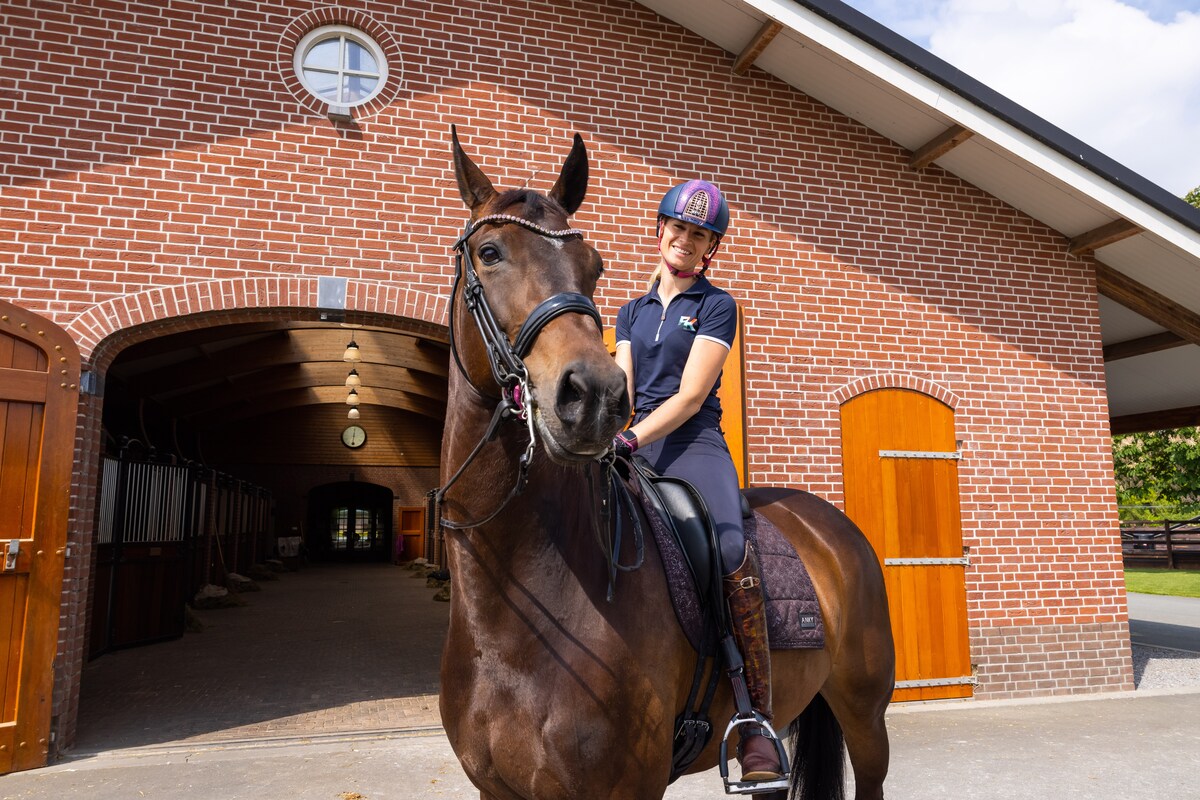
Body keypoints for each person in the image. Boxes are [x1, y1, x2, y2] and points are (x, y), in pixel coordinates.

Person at [611, 180, 783, 787]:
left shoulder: (717, 305)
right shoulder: (630, 312)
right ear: (660, 230)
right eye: (678, 228)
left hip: (693, 444)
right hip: (635, 440)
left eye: (699, 235)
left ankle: (755, 718)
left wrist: (630, 439)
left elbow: (689, 396)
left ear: (711, 247)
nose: (685, 240)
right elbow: (624, 390)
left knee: (731, 551)